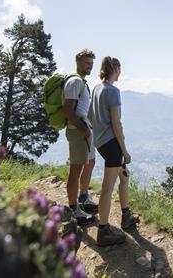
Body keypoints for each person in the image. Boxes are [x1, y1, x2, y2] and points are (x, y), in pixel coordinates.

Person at [89, 56, 139, 246]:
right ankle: (103, 231)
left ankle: (126, 216)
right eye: (120, 69)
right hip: (112, 145)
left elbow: (90, 115)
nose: (121, 73)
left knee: (124, 177)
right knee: (108, 188)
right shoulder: (113, 91)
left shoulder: (96, 89)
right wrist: (124, 151)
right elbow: (116, 123)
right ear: (115, 68)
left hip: (101, 142)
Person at [63, 49, 98, 224]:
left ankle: (83, 197)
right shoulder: (75, 82)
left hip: (84, 129)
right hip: (77, 131)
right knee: (75, 170)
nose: (90, 66)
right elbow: (68, 110)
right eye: (87, 62)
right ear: (77, 62)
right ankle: (73, 208)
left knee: (90, 162)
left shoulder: (82, 82)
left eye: (91, 63)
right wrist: (83, 130)